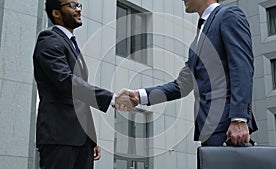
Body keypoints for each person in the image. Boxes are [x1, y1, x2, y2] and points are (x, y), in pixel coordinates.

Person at [119, 0, 258, 154]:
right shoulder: (196, 41)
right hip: (209, 128)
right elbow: (182, 85)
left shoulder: (229, 15)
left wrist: (239, 118)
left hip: (228, 127)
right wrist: (139, 96)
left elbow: (242, 67)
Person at [33, 0, 137, 169]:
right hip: (60, 138)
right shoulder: (49, 40)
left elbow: (80, 99)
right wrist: (111, 97)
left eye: (79, 5)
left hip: (81, 141)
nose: (79, 10)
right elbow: (66, 82)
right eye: (72, 5)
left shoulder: (72, 45)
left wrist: (91, 138)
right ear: (56, 13)